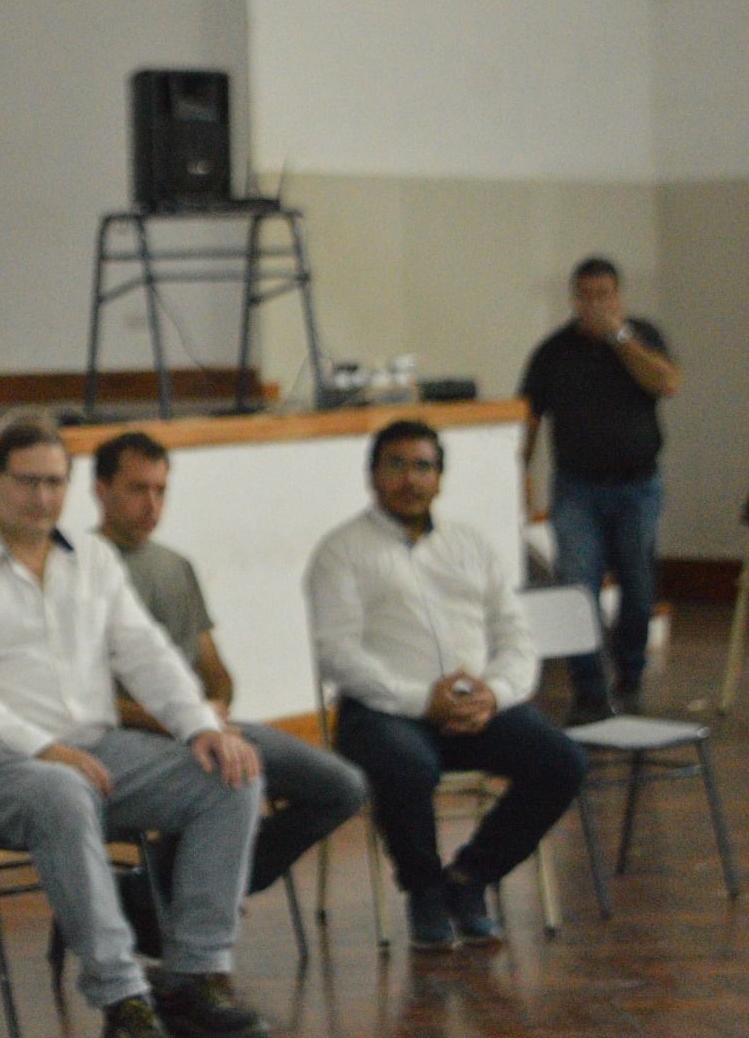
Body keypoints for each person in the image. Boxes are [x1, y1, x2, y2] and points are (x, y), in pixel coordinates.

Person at [0, 418, 270, 1038]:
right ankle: (123, 997)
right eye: (28, 481)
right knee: (62, 790)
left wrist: (200, 726)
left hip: (96, 752)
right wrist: (46, 749)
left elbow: (147, 654)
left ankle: (196, 975)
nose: (43, 497)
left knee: (230, 776)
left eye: (55, 482)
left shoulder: (92, 559)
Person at [305, 420, 587, 951]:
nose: (410, 479)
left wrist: (494, 694)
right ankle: (425, 891)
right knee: (407, 766)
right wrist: (421, 701)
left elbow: (515, 635)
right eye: (396, 465)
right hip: (383, 712)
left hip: (475, 708)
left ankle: (469, 878)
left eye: (423, 467)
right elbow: (337, 653)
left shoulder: (469, 545)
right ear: (373, 475)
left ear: (439, 478)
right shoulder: (341, 551)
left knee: (563, 762)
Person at [92, 431, 366, 896]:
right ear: (102, 491)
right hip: (135, 738)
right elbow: (89, 698)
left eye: (160, 490)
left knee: (343, 787)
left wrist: (215, 706)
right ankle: (171, 895)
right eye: (138, 489)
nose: (152, 505)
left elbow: (214, 669)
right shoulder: (80, 571)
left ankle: (171, 888)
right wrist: (185, 722)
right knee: (226, 783)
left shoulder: (174, 566)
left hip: (202, 729)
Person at [520, 256, 682, 723]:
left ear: (619, 297)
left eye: (604, 295)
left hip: (638, 486)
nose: (595, 305)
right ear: (573, 299)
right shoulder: (553, 351)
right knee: (578, 587)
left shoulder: (643, 337)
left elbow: (668, 382)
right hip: (576, 489)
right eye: (586, 296)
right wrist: (522, 480)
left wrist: (620, 338)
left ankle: (630, 676)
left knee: (638, 584)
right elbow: (529, 418)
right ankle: (589, 690)